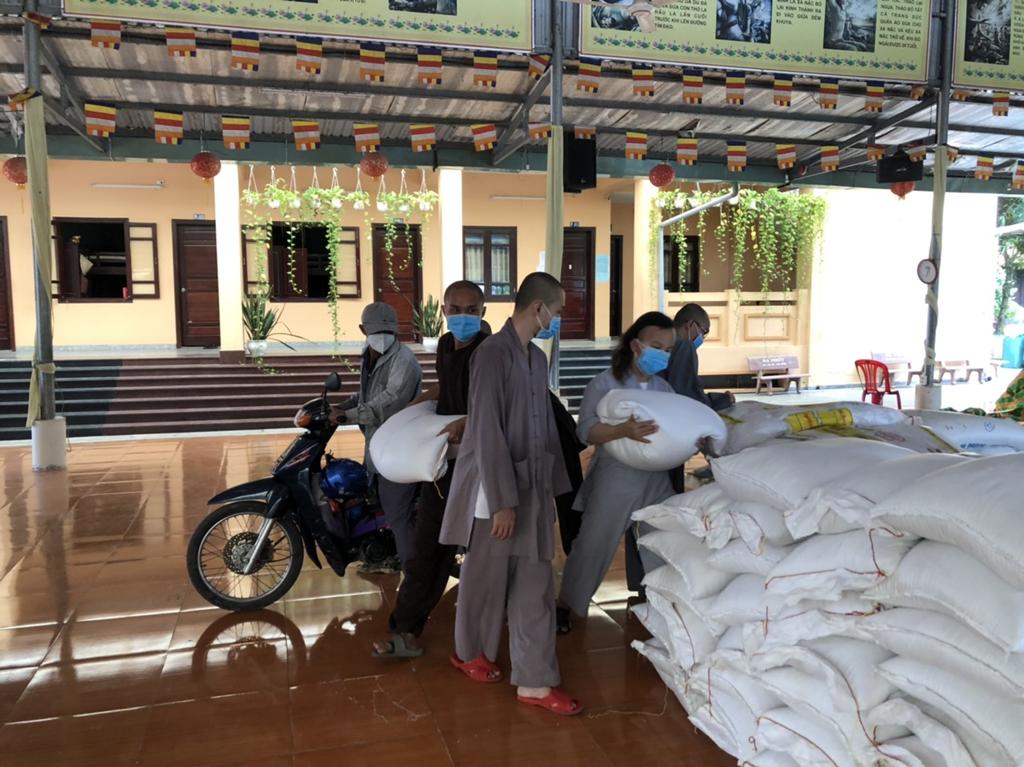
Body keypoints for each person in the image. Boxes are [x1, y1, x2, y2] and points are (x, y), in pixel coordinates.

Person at [440, 272, 583, 716]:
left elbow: (544, 426)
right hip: (495, 492)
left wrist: (554, 489)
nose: (556, 320)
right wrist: (503, 501)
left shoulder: (536, 359)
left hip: (534, 488)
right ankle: (469, 652)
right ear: (538, 308)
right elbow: (486, 430)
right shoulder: (491, 355)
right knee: (484, 580)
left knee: (536, 585)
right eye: (555, 312)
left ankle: (535, 682)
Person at [371, 281, 490, 658]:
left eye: (471, 310)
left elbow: (499, 402)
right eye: (455, 309)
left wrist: (469, 420)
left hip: (482, 464)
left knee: (487, 554)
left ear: (483, 312)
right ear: (443, 311)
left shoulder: (491, 352)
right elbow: (446, 387)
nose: (463, 317)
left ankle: (492, 631)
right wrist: (414, 405)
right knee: (428, 547)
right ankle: (404, 629)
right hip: (443, 461)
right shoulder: (446, 346)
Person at [557, 312, 678, 633]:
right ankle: (567, 606)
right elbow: (586, 431)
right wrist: (622, 430)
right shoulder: (605, 384)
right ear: (636, 346)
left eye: (668, 349)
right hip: (616, 476)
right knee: (594, 545)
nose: (663, 355)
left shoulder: (664, 388)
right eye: (656, 347)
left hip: (656, 479)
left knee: (664, 543)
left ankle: (664, 606)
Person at [331, 303, 422, 570]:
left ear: (396, 330)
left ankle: (415, 573)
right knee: (376, 504)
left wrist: (348, 416)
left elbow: (390, 401)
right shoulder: (368, 355)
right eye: (376, 331)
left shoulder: (404, 359)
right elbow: (366, 395)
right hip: (377, 444)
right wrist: (340, 407)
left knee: (397, 515)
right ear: (363, 330)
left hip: (399, 449)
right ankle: (387, 555)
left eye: (387, 331)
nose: (382, 336)